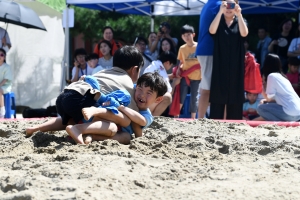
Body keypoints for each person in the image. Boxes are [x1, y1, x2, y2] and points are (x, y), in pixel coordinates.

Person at [26, 46, 143, 145]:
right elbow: (132, 113)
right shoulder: (128, 83)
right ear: (135, 69)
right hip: (82, 98)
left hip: (65, 95)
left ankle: (35, 129)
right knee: (112, 119)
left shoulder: (103, 72)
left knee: (67, 120)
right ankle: (80, 130)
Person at [67, 72, 168, 144]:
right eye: (140, 89)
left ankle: (91, 136)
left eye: (148, 93)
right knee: (119, 119)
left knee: (126, 137)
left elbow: (140, 121)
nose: (142, 95)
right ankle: (82, 127)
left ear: (158, 100)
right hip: (101, 116)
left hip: (109, 128)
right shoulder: (130, 93)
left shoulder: (147, 115)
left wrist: (121, 108)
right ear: (136, 87)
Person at [209, 0, 248, 120]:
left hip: (236, 65)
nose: (228, 8)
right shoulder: (218, 19)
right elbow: (212, 31)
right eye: (226, 5)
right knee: (217, 96)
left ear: (237, 5)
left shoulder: (240, 21)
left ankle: (234, 124)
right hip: (220, 64)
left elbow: (244, 33)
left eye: (232, 5)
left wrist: (239, 15)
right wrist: (220, 12)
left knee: (235, 97)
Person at [254, 54, 300, 121]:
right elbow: (278, 98)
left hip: (290, 113)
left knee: (260, 108)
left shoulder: (271, 76)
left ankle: (280, 123)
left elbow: (268, 98)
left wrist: (260, 86)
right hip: (298, 114)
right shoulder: (283, 77)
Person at [196, 0, 221, 119]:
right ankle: (200, 119)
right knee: (206, 89)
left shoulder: (209, 4)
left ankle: (200, 118)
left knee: (205, 87)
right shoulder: (218, 5)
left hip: (205, 49)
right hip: (208, 50)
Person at [174, 24, 201, 119]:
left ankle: (193, 118)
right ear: (182, 37)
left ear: (193, 35)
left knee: (194, 97)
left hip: (197, 76)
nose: (187, 37)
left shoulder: (199, 46)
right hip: (185, 75)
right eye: (184, 35)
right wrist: (178, 69)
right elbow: (180, 61)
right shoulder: (182, 48)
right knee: (181, 96)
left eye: (188, 34)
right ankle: (176, 116)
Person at [143, 51, 177, 116]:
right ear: (167, 62)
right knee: (168, 97)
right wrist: (175, 83)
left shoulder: (154, 65)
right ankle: (153, 118)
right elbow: (169, 91)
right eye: (171, 64)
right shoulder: (161, 70)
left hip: (141, 99)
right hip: (146, 104)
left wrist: (168, 77)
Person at [0, 48, 12, 118]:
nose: (0, 56)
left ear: (4, 57)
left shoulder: (7, 67)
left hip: (5, 85)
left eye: (1, 55)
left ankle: (2, 110)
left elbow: (5, 79)